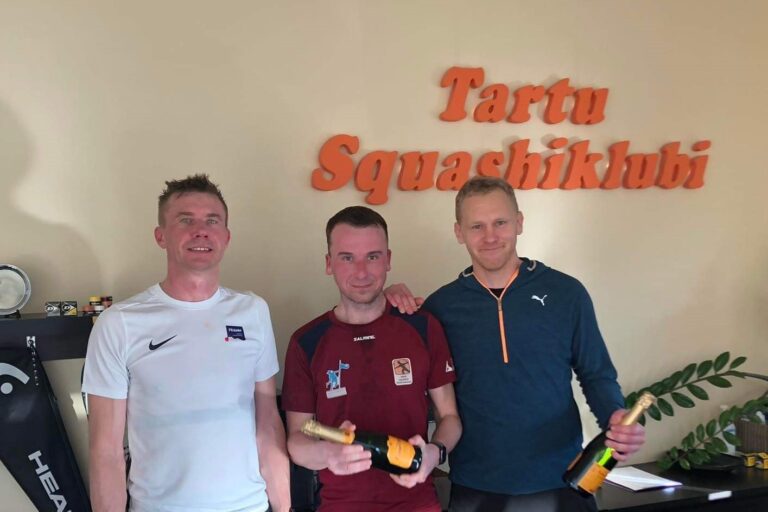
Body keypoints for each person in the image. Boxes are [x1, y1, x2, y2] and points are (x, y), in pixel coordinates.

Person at [385, 176, 645, 512]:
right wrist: (388, 298)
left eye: (500, 222)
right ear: (459, 232)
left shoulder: (566, 293)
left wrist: (615, 416)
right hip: (475, 486)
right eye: (476, 226)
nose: (490, 236)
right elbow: (415, 383)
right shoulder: (440, 308)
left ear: (519, 223)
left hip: (561, 481)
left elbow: (596, 375)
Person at [82, 175, 290, 512]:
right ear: (161, 236)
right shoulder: (119, 323)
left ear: (226, 236)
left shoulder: (253, 311)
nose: (201, 231)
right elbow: (106, 452)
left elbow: (268, 424)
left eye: (212, 221)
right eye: (185, 220)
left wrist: (284, 508)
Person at [282, 206, 462, 512]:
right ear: (329, 263)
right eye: (347, 258)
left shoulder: (422, 327)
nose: (362, 271)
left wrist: (435, 452)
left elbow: (450, 418)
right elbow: (297, 438)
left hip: (417, 505)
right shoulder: (306, 342)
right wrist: (328, 455)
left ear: (388, 259)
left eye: (373, 256)